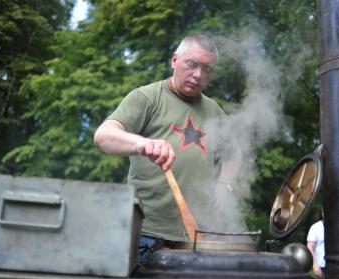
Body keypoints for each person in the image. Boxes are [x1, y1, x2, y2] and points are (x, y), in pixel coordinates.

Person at [94, 35, 238, 263]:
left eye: (207, 69)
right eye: (192, 64)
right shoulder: (146, 98)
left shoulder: (215, 111)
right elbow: (103, 136)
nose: (198, 75)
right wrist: (142, 143)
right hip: (146, 232)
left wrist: (224, 184)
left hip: (198, 234)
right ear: (174, 60)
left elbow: (233, 154)